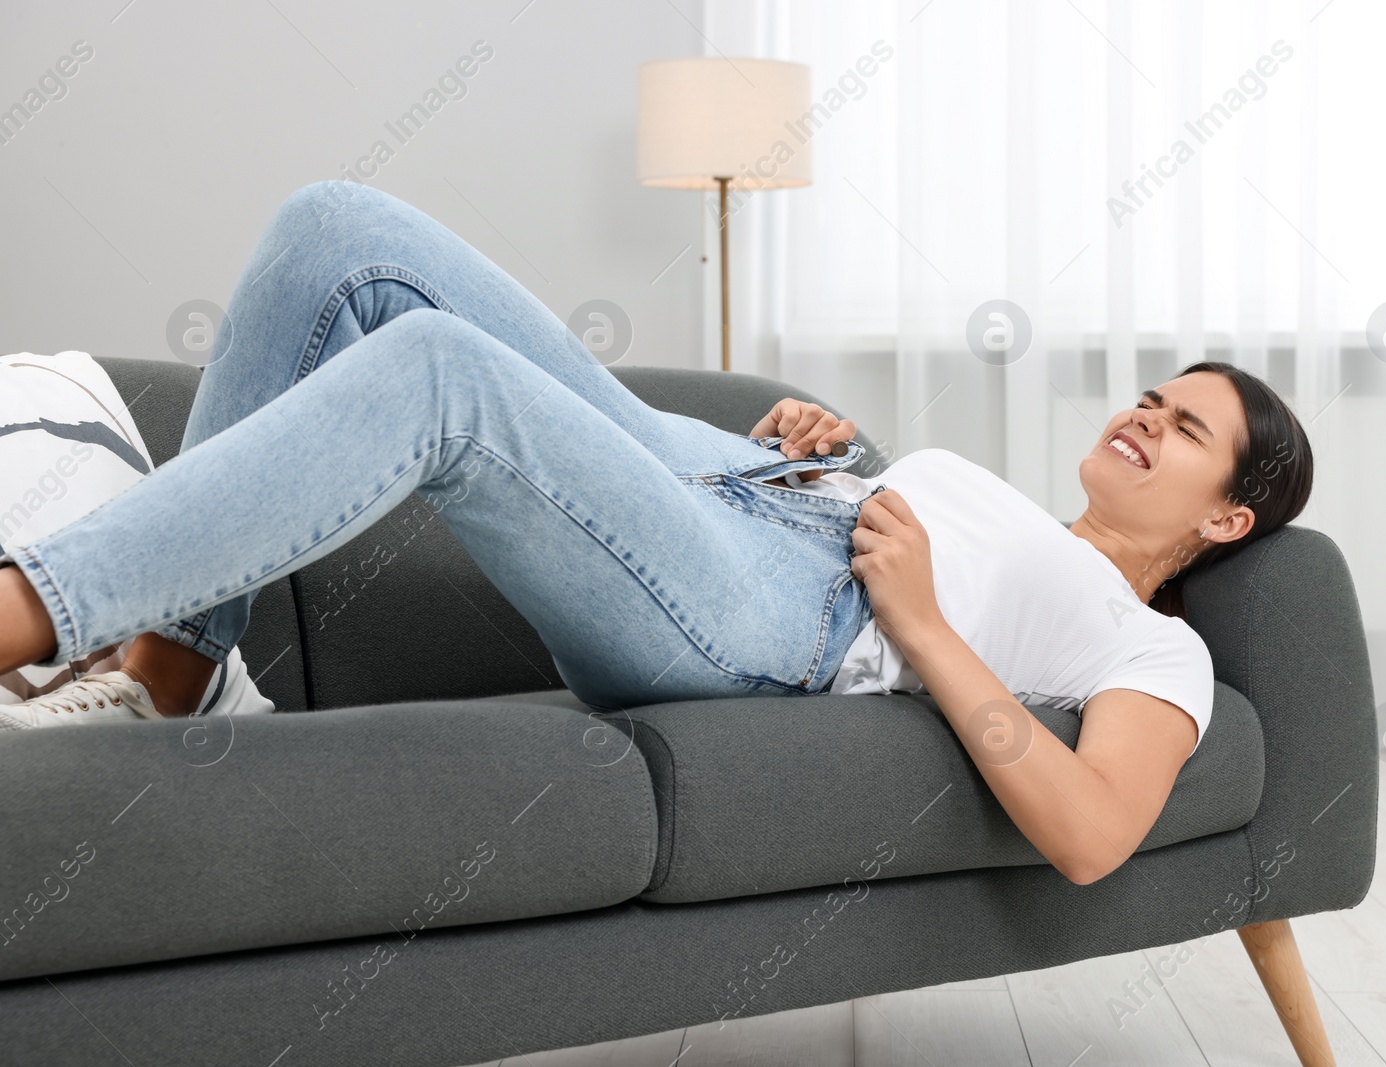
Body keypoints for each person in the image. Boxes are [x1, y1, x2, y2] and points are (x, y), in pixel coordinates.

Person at [0, 180, 1311, 886]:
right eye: (1152, 396)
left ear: (1225, 514)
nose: (1145, 418)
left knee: (443, 372)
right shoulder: (1020, 510)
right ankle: (175, 669)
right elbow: (901, 518)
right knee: (336, 230)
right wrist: (830, 454)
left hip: (781, 611)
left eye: (1185, 430)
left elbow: (1089, 833)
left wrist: (920, 622)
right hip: (735, 488)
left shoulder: (1156, 653)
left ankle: (32, 608)